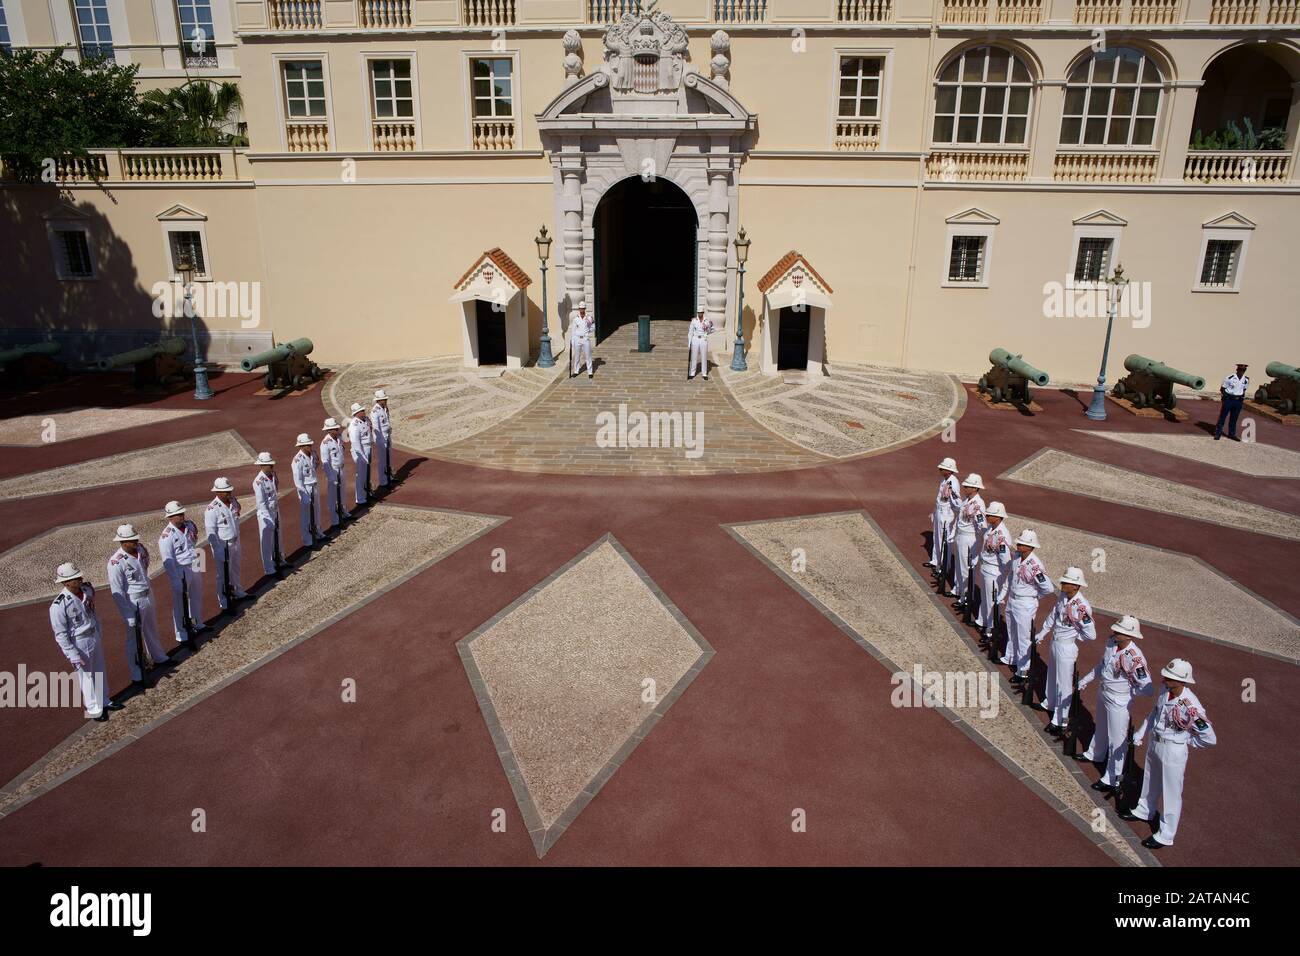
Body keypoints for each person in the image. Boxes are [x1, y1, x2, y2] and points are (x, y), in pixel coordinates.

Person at [1122, 658, 1216, 849]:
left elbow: (1209, 738)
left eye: (1170, 678)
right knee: (1150, 779)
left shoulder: (1191, 706)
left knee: (1171, 793)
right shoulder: (1166, 691)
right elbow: (1155, 713)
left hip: (1173, 750)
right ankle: (1144, 809)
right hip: (1156, 743)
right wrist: (1141, 732)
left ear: (1182, 681)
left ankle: (1166, 834)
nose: (1164, 679)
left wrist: (1186, 741)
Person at [1076, 615, 1154, 791]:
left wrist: (1131, 690)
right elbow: (1102, 666)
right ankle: (1095, 753)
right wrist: (1086, 680)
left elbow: (1148, 689)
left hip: (1119, 700)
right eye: (1116, 629)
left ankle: (1112, 778)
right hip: (1104, 692)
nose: (1115, 632)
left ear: (1130, 636)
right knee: (1101, 727)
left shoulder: (1135, 659)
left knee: (1116, 739)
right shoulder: (1111, 643)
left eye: (1120, 631)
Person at [49, 563, 122, 721]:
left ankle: (104, 700)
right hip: (79, 641)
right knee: (86, 676)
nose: (79, 580)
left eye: (78, 577)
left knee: (99, 669)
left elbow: (92, 611)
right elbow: (60, 634)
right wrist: (72, 654)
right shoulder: (59, 605)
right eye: (74, 579)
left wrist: (99, 630)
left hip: (93, 634)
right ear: (65, 582)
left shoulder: (87, 590)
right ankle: (93, 708)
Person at [106, 524, 172, 686]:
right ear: (122, 542)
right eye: (131, 540)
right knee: (134, 639)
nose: (135, 541)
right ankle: (137, 673)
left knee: (151, 627)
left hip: (147, 593)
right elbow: (117, 591)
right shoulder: (116, 563)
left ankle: (158, 657)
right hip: (133, 600)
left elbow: (146, 565)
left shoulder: (140, 550)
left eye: (135, 538)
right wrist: (128, 615)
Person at [1033, 566, 1096, 734]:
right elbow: (1054, 614)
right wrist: (1043, 633)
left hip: (1067, 646)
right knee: (1052, 675)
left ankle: (1060, 720)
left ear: (1076, 586)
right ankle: (1050, 702)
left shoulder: (1081, 607)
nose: (1063, 584)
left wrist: (1074, 637)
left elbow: (1091, 634)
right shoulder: (1063, 596)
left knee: (1064, 684)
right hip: (1055, 642)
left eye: (1067, 582)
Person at [1005, 529, 1054, 683]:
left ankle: (1023, 669)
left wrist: (1033, 596)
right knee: (1011, 629)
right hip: (1013, 598)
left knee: (1023, 636)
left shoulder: (1035, 566)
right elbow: (1012, 576)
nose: (1018, 544)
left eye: (1022, 543)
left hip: (1025, 603)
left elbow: (1048, 588)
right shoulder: (1017, 558)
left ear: (1030, 547)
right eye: (1019, 542)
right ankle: (1010, 657)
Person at [158, 500, 204, 650]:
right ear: (170, 517)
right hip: (181, 569)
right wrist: (175, 579)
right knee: (180, 603)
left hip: (195, 562)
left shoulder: (190, 525)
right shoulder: (166, 536)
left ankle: (198, 622)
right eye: (178, 514)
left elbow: (195, 540)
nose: (181, 516)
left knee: (196, 595)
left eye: (182, 513)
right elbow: (168, 561)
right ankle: (182, 634)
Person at [205, 477, 249, 613]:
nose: (229, 493)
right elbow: (211, 533)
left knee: (235, 568)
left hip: (235, 540)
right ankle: (224, 602)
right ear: (217, 492)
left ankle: (238, 591)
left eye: (229, 490)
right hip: (223, 545)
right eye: (225, 491)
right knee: (222, 574)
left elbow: (236, 514)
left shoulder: (233, 502)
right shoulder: (212, 509)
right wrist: (217, 550)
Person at [974, 500, 1013, 641]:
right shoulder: (991, 529)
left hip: (994, 571)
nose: (987, 517)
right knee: (985, 597)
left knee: (991, 601)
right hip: (986, 567)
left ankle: (991, 629)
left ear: (998, 517)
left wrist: (1001, 577)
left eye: (990, 515)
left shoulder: (1002, 535)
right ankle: (982, 620)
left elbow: (1006, 561)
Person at [951, 474, 986, 607]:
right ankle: (959, 590)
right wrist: (954, 531)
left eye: (967, 486)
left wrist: (978, 545)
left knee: (966, 568)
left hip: (969, 538)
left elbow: (982, 526)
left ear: (975, 488)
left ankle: (966, 596)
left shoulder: (978, 504)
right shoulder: (966, 500)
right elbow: (959, 517)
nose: (964, 487)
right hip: (961, 535)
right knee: (959, 566)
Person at [252, 451, 284, 578]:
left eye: (272, 465)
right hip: (265, 514)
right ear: (262, 466)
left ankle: (280, 559)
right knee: (266, 541)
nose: (272, 467)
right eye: (269, 465)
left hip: (275, 510)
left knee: (278, 536)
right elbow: (261, 503)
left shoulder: (273, 475)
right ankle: (269, 568)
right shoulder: (258, 481)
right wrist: (267, 519)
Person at [926, 457, 960, 572]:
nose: (940, 469)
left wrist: (954, 512)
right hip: (939, 511)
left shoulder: (952, 482)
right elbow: (939, 498)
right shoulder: (945, 480)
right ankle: (935, 560)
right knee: (937, 536)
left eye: (943, 468)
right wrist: (934, 511)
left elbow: (956, 499)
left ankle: (944, 565)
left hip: (946, 513)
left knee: (943, 539)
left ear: (949, 470)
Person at [291, 434, 324, 549]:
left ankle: (318, 532)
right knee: (306, 515)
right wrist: (303, 494)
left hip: (314, 484)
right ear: (301, 446)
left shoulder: (313, 454)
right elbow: (298, 480)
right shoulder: (297, 460)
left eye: (310, 444)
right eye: (307, 445)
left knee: (317, 510)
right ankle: (307, 539)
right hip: (305, 488)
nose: (310, 446)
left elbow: (315, 465)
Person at [320, 417, 346, 530]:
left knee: (342, 492)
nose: (337, 430)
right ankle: (335, 520)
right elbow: (325, 461)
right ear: (329, 430)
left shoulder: (339, 438)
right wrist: (330, 476)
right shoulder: (325, 443)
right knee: (333, 496)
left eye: (337, 428)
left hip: (341, 468)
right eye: (335, 429)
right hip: (333, 470)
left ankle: (344, 511)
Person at [1214, 363, 1249, 441]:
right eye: (1240, 369)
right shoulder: (1230, 378)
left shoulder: (1246, 379)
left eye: (1243, 370)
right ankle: (1217, 433)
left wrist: (1240, 398)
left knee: (1234, 418)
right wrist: (1226, 398)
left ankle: (1231, 434)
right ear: (1237, 370)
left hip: (1238, 401)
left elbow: (1243, 390)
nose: (1241, 371)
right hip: (1229, 400)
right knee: (1222, 417)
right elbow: (1222, 389)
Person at [347, 402, 373, 505]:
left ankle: (367, 492)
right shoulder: (354, 425)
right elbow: (356, 443)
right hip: (360, 451)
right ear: (356, 413)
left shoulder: (365, 420)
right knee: (361, 474)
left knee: (367, 473)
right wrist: (363, 457)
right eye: (361, 411)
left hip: (368, 447)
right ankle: (360, 498)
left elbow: (369, 431)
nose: (363, 412)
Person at [371, 389, 393, 487]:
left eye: (385, 399)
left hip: (387, 435)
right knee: (383, 459)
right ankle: (383, 480)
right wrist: (381, 440)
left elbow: (387, 420)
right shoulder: (375, 411)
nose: (385, 401)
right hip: (381, 438)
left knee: (389, 457)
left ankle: (390, 475)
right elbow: (376, 427)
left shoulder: (385, 408)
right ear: (378, 400)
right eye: (383, 399)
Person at [688, 305, 714, 381]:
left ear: (703, 313)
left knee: (704, 356)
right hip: (695, 339)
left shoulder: (707, 321)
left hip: (703, 339)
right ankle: (692, 373)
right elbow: (690, 332)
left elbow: (712, 329)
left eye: (701, 313)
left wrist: (707, 332)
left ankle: (704, 373)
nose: (699, 314)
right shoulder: (694, 320)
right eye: (698, 312)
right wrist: (689, 343)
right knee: (694, 356)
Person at [569, 301, 594, 379]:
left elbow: (593, 326)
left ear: (585, 308)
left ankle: (590, 372)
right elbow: (573, 330)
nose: (582, 310)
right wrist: (573, 340)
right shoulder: (576, 319)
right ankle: (576, 371)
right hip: (577, 339)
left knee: (588, 355)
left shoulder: (589, 318)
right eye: (581, 308)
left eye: (583, 308)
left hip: (585, 338)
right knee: (577, 356)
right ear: (579, 309)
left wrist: (588, 331)